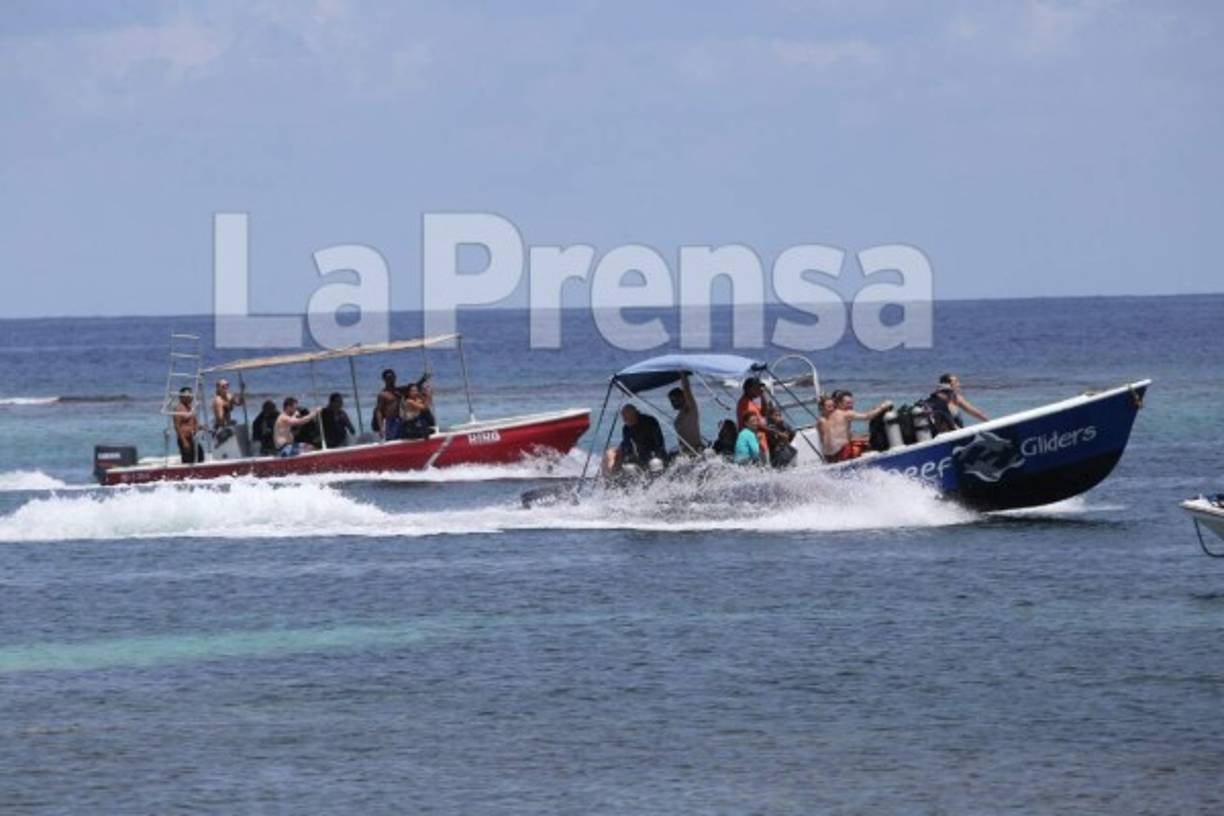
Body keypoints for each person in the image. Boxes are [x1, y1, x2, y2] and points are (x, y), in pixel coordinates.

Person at [823, 390, 893, 462]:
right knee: (871, 446)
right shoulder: (847, 413)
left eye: (852, 403)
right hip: (841, 454)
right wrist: (883, 406)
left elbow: (840, 436)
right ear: (839, 403)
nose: (851, 405)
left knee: (860, 442)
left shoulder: (831, 415)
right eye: (848, 403)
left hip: (829, 457)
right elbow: (867, 416)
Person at [603, 404, 667, 474]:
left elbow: (659, 441)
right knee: (628, 467)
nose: (624, 420)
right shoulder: (626, 428)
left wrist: (657, 453)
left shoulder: (650, 421)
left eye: (626, 417)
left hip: (655, 453)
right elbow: (627, 445)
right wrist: (628, 457)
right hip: (641, 455)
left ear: (634, 414)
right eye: (623, 417)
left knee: (655, 462)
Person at [736, 378, 770, 461]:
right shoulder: (744, 404)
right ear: (749, 389)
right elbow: (752, 425)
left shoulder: (750, 402)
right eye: (757, 388)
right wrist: (774, 432)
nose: (759, 390)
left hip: (760, 443)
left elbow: (764, 412)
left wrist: (762, 396)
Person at [667, 373, 702, 455]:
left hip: (695, 449)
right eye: (670, 401)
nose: (672, 403)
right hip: (684, 451)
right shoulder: (682, 413)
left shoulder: (691, 408)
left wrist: (683, 374)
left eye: (673, 400)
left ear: (682, 398)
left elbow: (686, 389)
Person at [171, 387, 202, 464]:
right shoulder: (179, 409)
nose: (190, 397)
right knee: (188, 460)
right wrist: (184, 441)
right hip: (184, 439)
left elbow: (194, 422)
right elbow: (177, 426)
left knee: (200, 456)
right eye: (188, 396)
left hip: (192, 438)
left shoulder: (190, 408)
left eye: (191, 395)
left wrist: (201, 427)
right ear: (182, 397)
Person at [373, 369, 403, 441]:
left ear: (395, 377)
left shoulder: (399, 391)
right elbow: (379, 411)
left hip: (401, 419)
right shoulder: (382, 394)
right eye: (388, 378)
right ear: (384, 380)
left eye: (392, 377)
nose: (391, 379)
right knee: (392, 442)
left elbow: (414, 389)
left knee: (403, 441)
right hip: (390, 422)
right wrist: (381, 427)